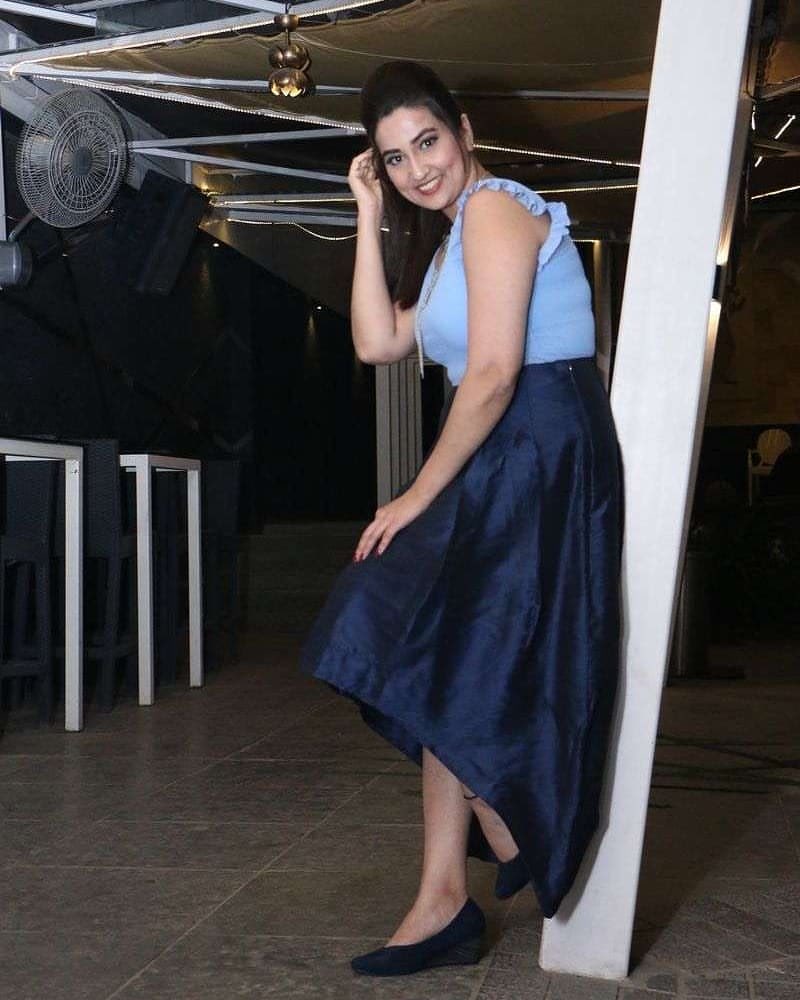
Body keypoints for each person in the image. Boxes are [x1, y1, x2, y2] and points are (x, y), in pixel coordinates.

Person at [301, 60, 621, 978]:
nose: (417, 169)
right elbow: (377, 341)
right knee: (430, 652)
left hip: (539, 441)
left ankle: (504, 820)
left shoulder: (495, 211)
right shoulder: (448, 243)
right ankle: (446, 893)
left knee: (397, 617)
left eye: (427, 142)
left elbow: (492, 374)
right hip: (501, 443)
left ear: (465, 131)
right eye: (395, 159)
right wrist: (366, 212)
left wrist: (415, 495)